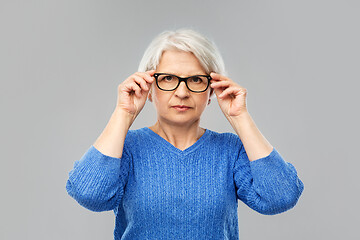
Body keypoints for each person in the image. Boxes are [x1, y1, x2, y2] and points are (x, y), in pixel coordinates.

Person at [66, 28, 304, 240]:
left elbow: (280, 197)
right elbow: (89, 195)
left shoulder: (230, 150)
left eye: (196, 80)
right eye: (168, 78)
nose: (181, 92)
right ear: (148, 87)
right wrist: (123, 113)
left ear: (211, 90)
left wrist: (239, 117)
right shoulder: (125, 148)